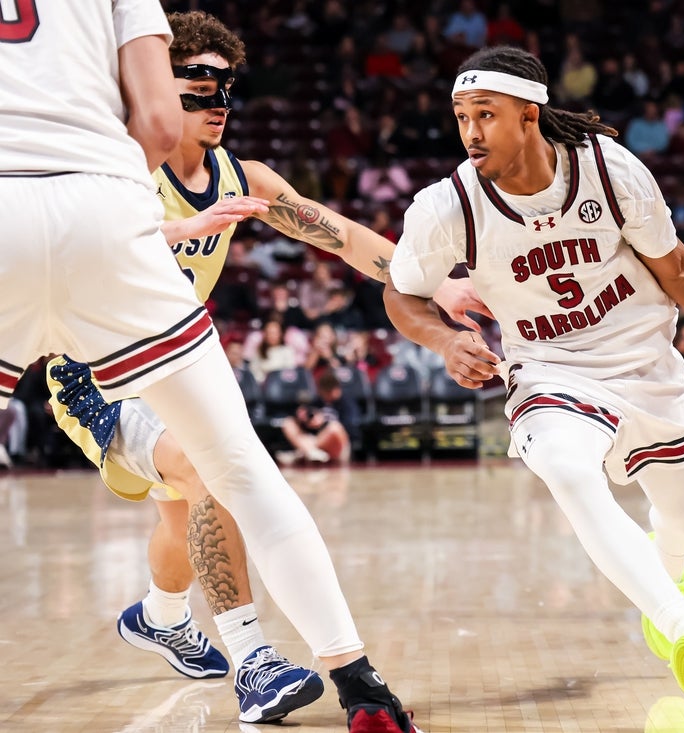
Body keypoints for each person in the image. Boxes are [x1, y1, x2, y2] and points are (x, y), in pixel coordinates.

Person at [1, 7, 471, 732]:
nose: (216, 102)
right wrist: (175, 228)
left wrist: (435, 284)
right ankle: (254, 659)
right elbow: (100, 227)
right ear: (157, 83)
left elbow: (342, 236)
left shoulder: (242, 177)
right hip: (94, 374)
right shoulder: (124, 159)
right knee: (209, 473)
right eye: (196, 85)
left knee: (185, 511)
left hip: (166, 356)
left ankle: (160, 616)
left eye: (225, 88)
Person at [383, 45, 684, 716]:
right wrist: (445, 339)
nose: (471, 131)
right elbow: (402, 293)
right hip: (549, 369)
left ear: (529, 115)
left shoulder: (610, 169)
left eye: (486, 114)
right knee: (567, 470)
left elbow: (681, 271)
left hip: (645, 364)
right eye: (462, 116)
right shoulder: (446, 207)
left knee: (683, 521)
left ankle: (668, 576)